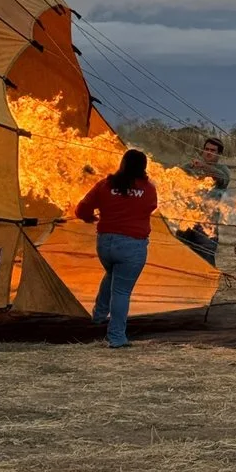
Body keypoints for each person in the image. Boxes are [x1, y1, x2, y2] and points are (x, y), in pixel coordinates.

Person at [75, 149, 157, 349]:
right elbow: (151, 207)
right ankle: (117, 337)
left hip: (105, 244)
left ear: (123, 164)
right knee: (121, 291)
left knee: (112, 274)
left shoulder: (105, 185)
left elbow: (81, 209)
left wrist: (89, 217)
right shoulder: (148, 189)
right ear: (143, 167)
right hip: (132, 246)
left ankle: (98, 316)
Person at [176, 137, 231, 266]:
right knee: (181, 258)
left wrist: (204, 166)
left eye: (213, 150)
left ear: (219, 154)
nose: (208, 152)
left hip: (207, 224)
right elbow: (174, 175)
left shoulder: (223, 170)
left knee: (206, 260)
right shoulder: (190, 167)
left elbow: (223, 178)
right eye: (206, 149)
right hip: (187, 220)